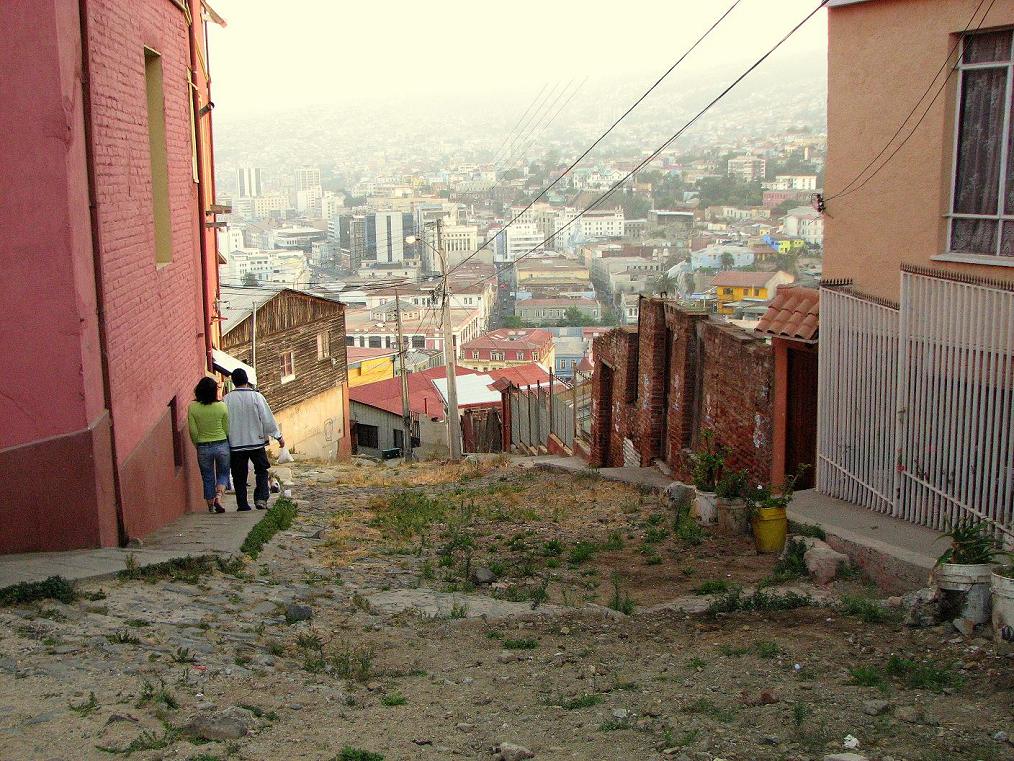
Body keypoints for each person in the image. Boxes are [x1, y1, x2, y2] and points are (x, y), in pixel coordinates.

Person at [223, 368, 284, 511]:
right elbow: (267, 419)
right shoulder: (257, 397)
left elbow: (224, 422)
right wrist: (278, 436)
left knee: (239, 475)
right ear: (247, 380)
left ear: (233, 381)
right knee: (262, 470)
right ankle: (261, 498)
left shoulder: (227, 400)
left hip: (236, 444)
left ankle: (242, 504)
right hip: (256, 442)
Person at [187, 376, 229, 514]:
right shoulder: (222, 406)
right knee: (223, 472)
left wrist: (197, 444)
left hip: (203, 446)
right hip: (221, 443)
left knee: (207, 476)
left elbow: (193, 430)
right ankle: (218, 497)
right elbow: (226, 428)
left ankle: (210, 505)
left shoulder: (193, 408)